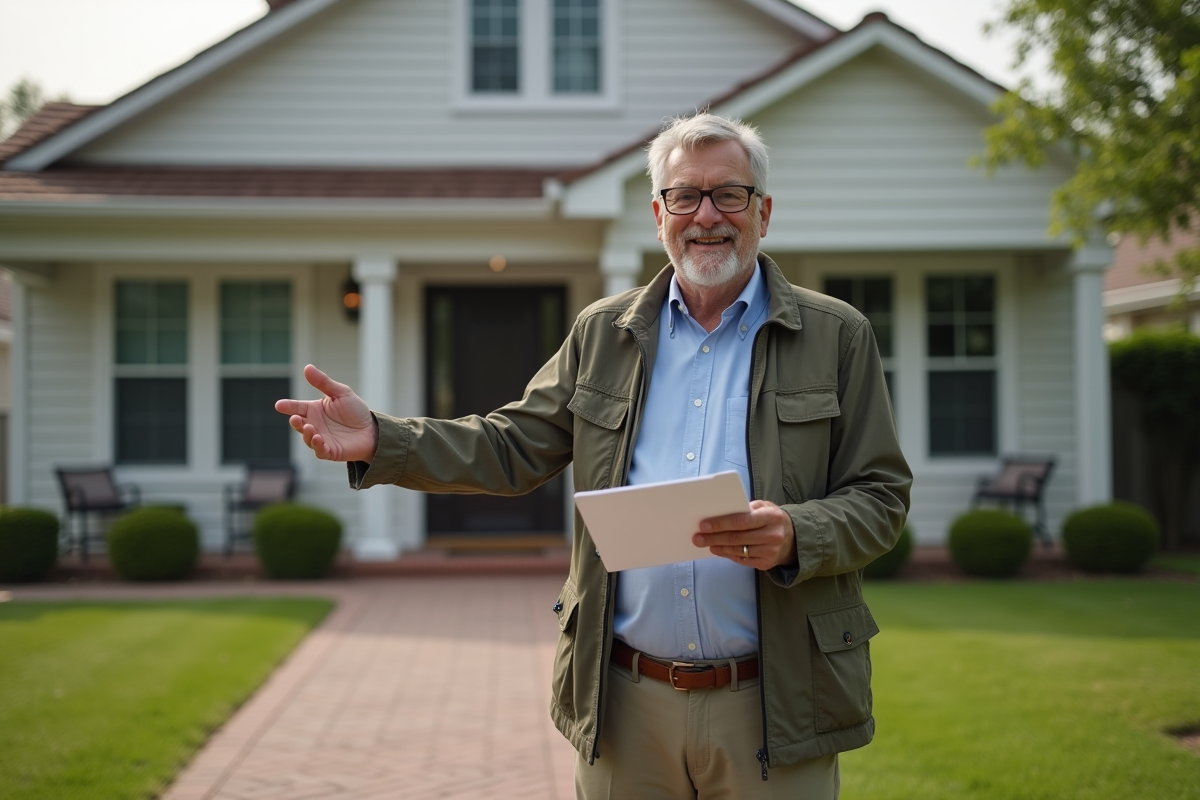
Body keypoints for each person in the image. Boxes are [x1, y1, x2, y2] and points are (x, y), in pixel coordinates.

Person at [276, 113, 912, 799]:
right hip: (625, 703)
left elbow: (881, 496)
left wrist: (796, 533)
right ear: (657, 213)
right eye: (685, 196)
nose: (707, 216)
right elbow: (510, 445)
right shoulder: (602, 335)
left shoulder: (837, 336)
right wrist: (382, 438)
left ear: (764, 211)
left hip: (776, 702)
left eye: (729, 194)